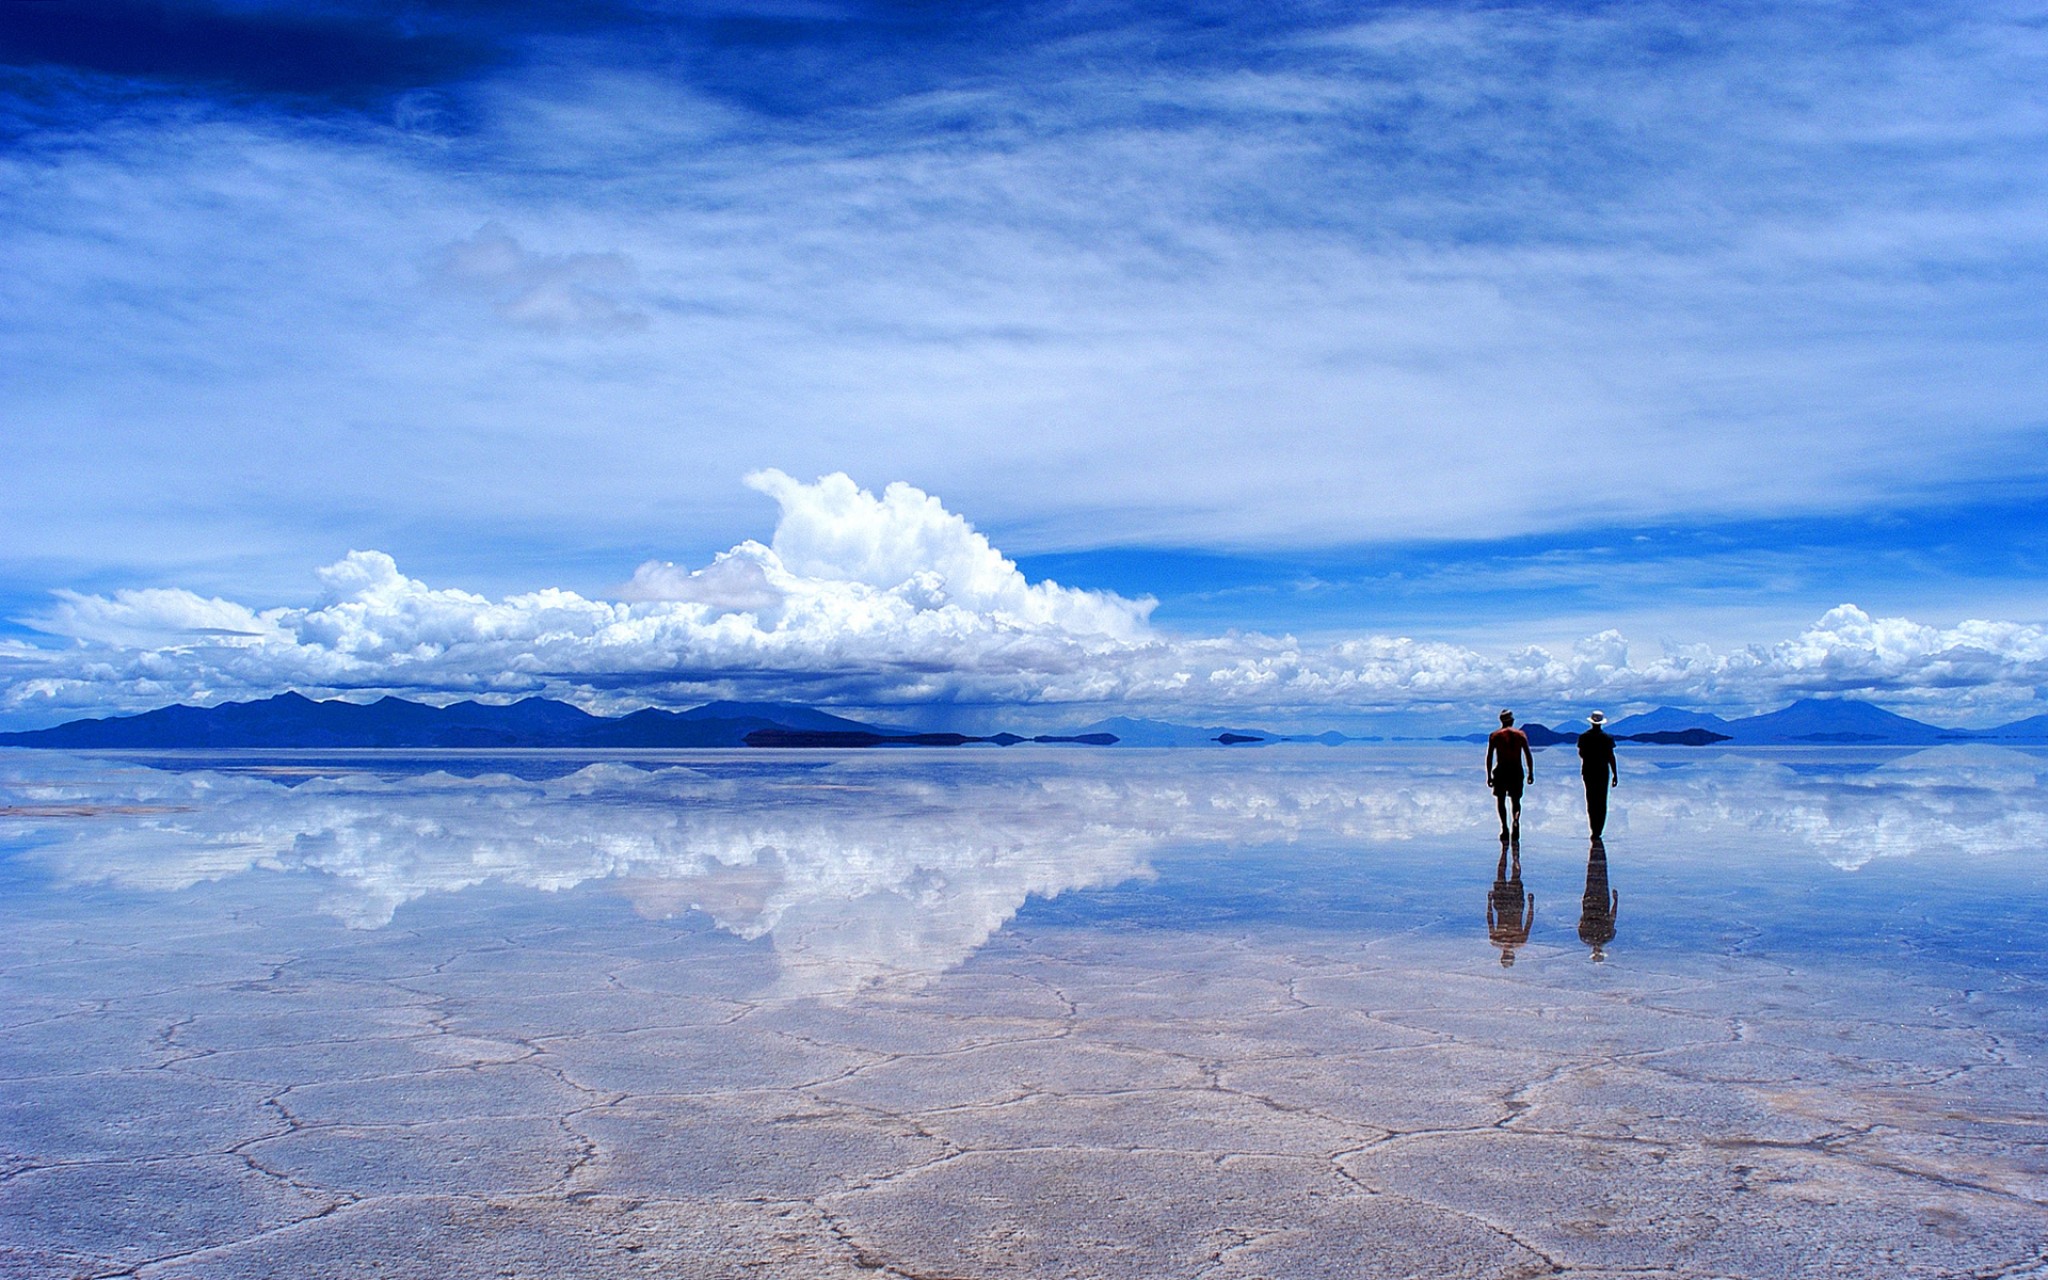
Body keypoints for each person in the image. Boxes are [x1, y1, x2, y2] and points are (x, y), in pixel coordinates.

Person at [1485, 709, 1534, 842]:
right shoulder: (1520, 735)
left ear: (1501, 721)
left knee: (1501, 800)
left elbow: (1489, 757)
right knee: (1516, 800)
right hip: (1516, 770)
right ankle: (1516, 820)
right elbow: (1528, 755)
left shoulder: (1495, 736)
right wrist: (1530, 772)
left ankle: (1505, 828)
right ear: (1512, 721)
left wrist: (1488, 775)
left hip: (1501, 770)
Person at [1487, 841, 1534, 968]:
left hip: (1504, 906)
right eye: (1509, 956)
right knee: (1511, 877)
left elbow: (1490, 921)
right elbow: (1528, 922)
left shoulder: (1496, 941)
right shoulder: (1519, 941)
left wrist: (1489, 903)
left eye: (1506, 956)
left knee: (1502, 876)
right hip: (1514, 906)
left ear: (1502, 955)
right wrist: (1531, 904)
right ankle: (1513, 855)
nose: (1507, 954)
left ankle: (1506, 852)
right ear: (1512, 956)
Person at [1577, 710, 1619, 838]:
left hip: (1588, 771)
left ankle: (1593, 828)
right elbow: (1611, 757)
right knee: (1601, 800)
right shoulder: (1607, 738)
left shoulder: (1584, 737)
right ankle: (1598, 830)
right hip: (1602, 771)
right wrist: (1615, 774)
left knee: (1591, 799)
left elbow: (1581, 754)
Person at [1578, 836, 1618, 962]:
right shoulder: (1601, 937)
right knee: (1597, 877)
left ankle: (1596, 849)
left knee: (1595, 877)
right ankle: (1596, 849)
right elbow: (1612, 918)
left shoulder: (1588, 937)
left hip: (1593, 905)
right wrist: (1615, 901)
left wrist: (1616, 902)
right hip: (1595, 904)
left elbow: (1582, 920)